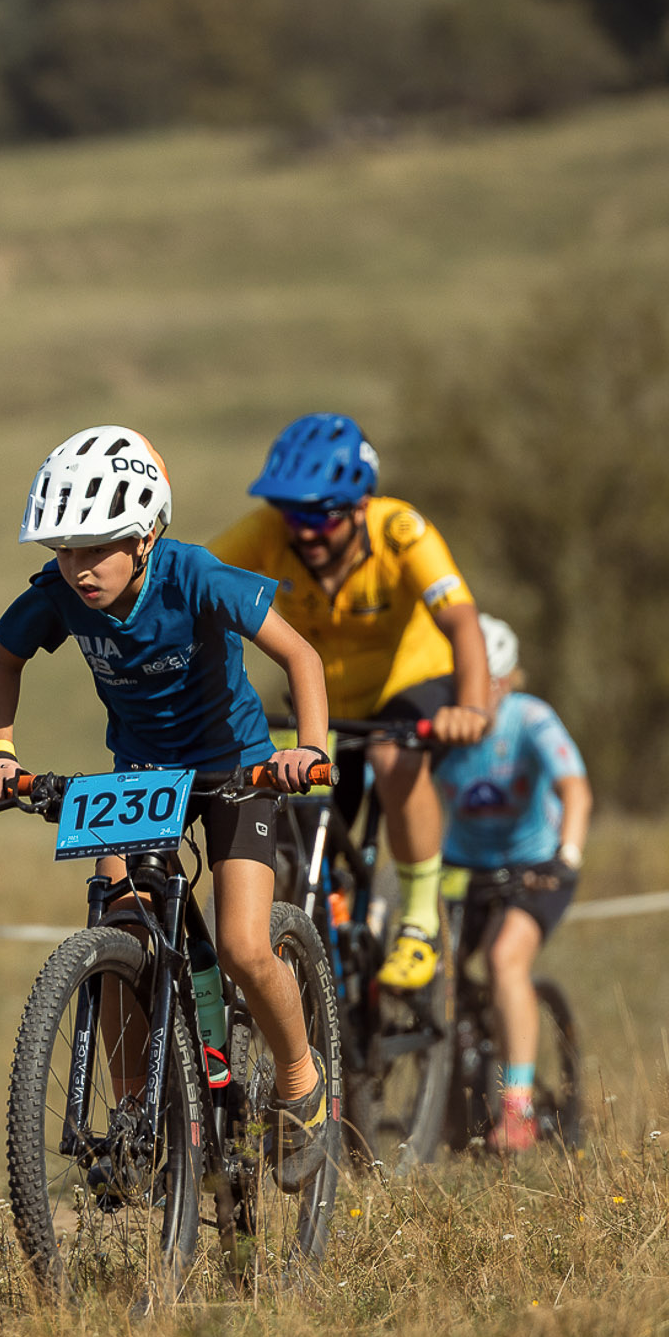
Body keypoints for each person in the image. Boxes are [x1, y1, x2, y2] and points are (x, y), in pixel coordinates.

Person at [0, 426, 337, 1190]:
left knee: (242, 945)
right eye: (63, 550)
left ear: (143, 539)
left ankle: (302, 1083)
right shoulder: (58, 594)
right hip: (138, 776)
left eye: (94, 549)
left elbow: (299, 655)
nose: (77, 568)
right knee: (117, 929)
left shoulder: (193, 574)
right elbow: (3, 660)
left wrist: (305, 748)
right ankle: (137, 1115)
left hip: (237, 768)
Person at [210, 415, 488, 992]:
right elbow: (194, 584)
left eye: (322, 516)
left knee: (393, 757)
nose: (305, 532)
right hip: (324, 705)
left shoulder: (401, 531)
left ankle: (419, 920)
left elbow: (462, 620)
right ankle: (321, 930)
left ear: (360, 506)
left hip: (407, 685)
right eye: (293, 515)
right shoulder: (268, 532)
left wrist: (473, 707)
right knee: (283, 805)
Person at [434, 614, 591, 1153]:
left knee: (505, 958)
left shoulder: (531, 719)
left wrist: (567, 855)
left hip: (535, 865)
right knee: (429, 966)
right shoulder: (440, 724)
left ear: (506, 681)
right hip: (463, 865)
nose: (474, 693)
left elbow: (575, 789)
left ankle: (517, 1107)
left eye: (487, 682)